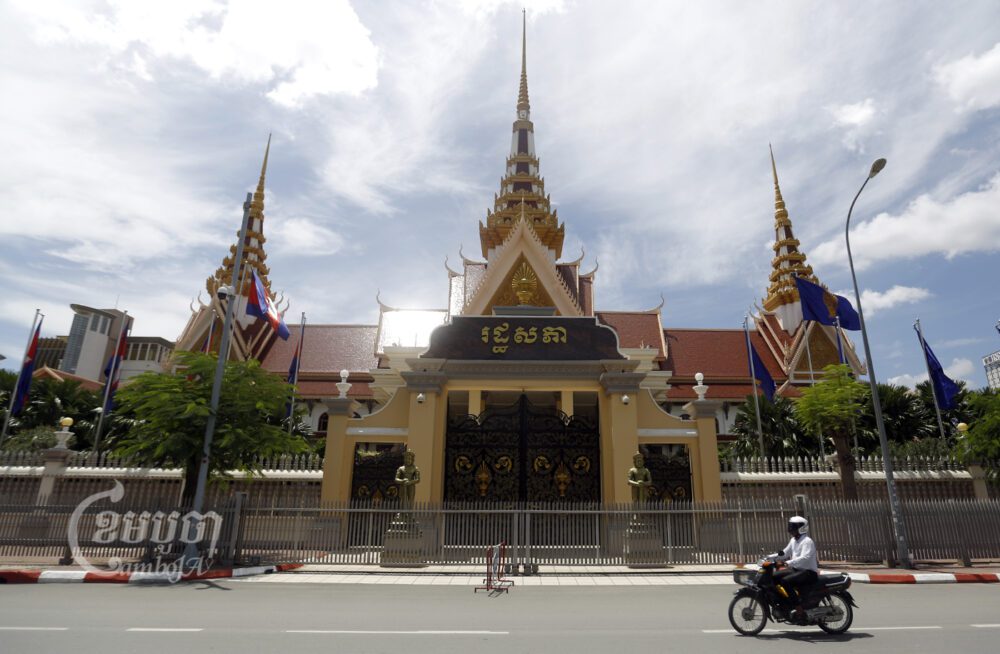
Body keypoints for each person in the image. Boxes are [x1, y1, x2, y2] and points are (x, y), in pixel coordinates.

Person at [773, 515, 818, 620]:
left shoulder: (807, 541)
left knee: (785, 581)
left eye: (793, 526)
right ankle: (784, 603)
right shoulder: (794, 540)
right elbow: (784, 553)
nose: (791, 529)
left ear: (801, 527)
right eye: (791, 526)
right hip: (796, 570)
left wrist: (787, 563)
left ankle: (798, 608)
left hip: (809, 572)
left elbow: (804, 558)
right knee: (774, 577)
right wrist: (770, 558)